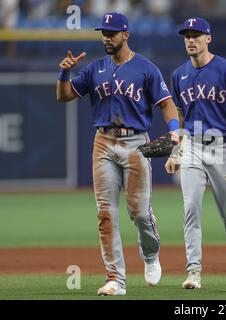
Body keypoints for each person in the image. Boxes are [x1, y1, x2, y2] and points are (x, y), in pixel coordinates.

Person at [56, 12, 180, 295]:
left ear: (126, 35)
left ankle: (150, 255)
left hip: (136, 143)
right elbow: (63, 96)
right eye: (104, 33)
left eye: (111, 33)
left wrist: (174, 133)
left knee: (138, 213)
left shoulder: (146, 68)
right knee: (105, 214)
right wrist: (64, 72)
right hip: (103, 142)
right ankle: (115, 278)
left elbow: (166, 103)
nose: (106, 38)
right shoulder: (94, 69)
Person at [164, 17, 226, 289]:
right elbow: (179, 115)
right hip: (193, 147)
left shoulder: (225, 69)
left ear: (208, 38)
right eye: (187, 35)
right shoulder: (179, 74)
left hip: (222, 146)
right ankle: (193, 271)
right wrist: (175, 150)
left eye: (197, 34)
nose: (191, 39)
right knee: (191, 207)